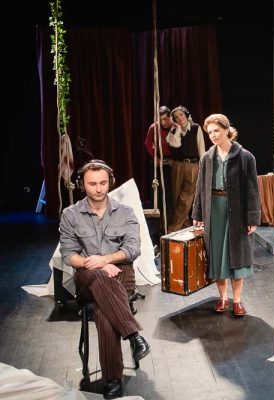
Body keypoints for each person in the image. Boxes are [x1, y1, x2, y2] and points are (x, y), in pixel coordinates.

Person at [59, 160, 151, 399]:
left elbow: (133, 249)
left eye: (103, 183)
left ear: (110, 182)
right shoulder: (70, 214)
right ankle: (134, 336)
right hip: (87, 274)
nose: (99, 189)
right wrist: (97, 264)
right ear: (82, 185)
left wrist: (106, 259)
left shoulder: (126, 212)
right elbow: (68, 255)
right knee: (99, 278)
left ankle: (113, 379)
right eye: (92, 184)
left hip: (122, 274)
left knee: (103, 311)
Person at [192, 114, 260, 317]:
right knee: (217, 255)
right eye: (210, 132)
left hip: (237, 211)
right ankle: (222, 298)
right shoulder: (207, 158)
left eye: (216, 131)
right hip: (213, 210)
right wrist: (198, 213)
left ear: (226, 130)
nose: (213, 135)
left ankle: (237, 301)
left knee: (237, 256)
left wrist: (252, 218)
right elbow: (200, 187)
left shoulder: (245, 156)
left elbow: (252, 189)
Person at [166, 105, 206, 233]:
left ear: (186, 115)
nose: (179, 118)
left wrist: (203, 168)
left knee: (186, 198)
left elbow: (201, 149)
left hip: (192, 166)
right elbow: (175, 144)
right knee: (176, 197)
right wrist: (177, 128)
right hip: (177, 166)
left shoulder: (195, 128)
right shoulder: (173, 130)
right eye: (176, 117)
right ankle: (185, 226)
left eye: (181, 115)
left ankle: (173, 228)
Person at [144, 106, 173, 237]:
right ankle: (160, 225)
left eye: (165, 119)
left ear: (170, 117)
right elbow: (148, 143)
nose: (163, 122)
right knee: (159, 193)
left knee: (172, 192)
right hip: (158, 161)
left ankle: (171, 223)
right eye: (160, 119)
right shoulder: (154, 127)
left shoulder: (175, 126)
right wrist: (155, 157)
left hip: (172, 162)